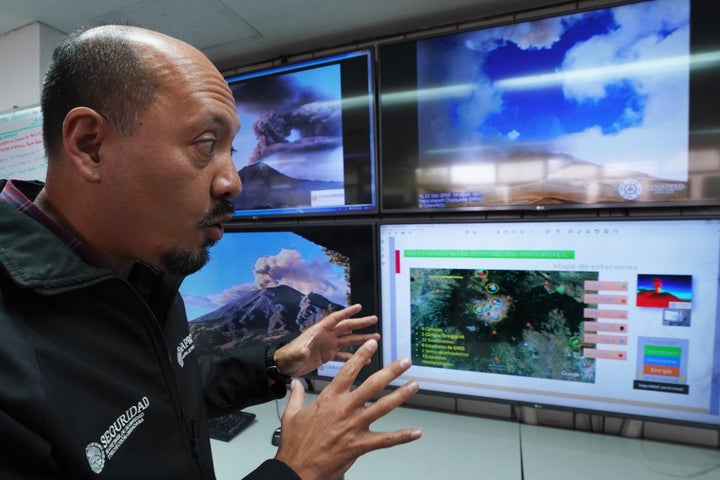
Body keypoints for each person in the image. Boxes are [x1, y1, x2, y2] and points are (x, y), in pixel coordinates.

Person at [0, 24, 421, 479]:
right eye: (205, 144)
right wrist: (296, 471)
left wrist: (275, 364)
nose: (233, 183)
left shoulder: (144, 271)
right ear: (90, 145)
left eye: (232, 149)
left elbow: (159, 394)